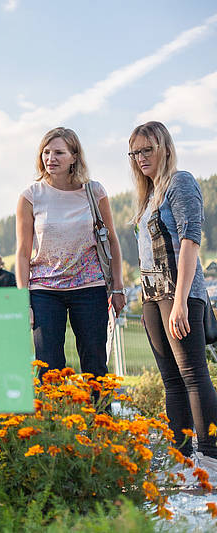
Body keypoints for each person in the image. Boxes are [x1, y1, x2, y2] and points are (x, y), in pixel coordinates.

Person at [130, 121, 217, 473]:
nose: (140, 158)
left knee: (194, 374)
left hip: (179, 293)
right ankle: (182, 458)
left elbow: (189, 241)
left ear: (164, 147)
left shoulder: (180, 183)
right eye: (134, 153)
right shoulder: (148, 195)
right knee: (172, 381)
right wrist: (147, 303)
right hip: (152, 298)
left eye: (146, 149)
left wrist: (180, 301)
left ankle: (210, 457)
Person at [15, 127, 125, 379]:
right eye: (46, 152)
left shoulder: (94, 191)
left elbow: (112, 242)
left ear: (74, 156)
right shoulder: (30, 196)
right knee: (48, 368)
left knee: (95, 364)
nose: (50, 158)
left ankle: (99, 418)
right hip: (44, 291)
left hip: (89, 287)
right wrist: (23, 298)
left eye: (59, 153)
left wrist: (118, 287)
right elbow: (22, 253)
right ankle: (53, 420)